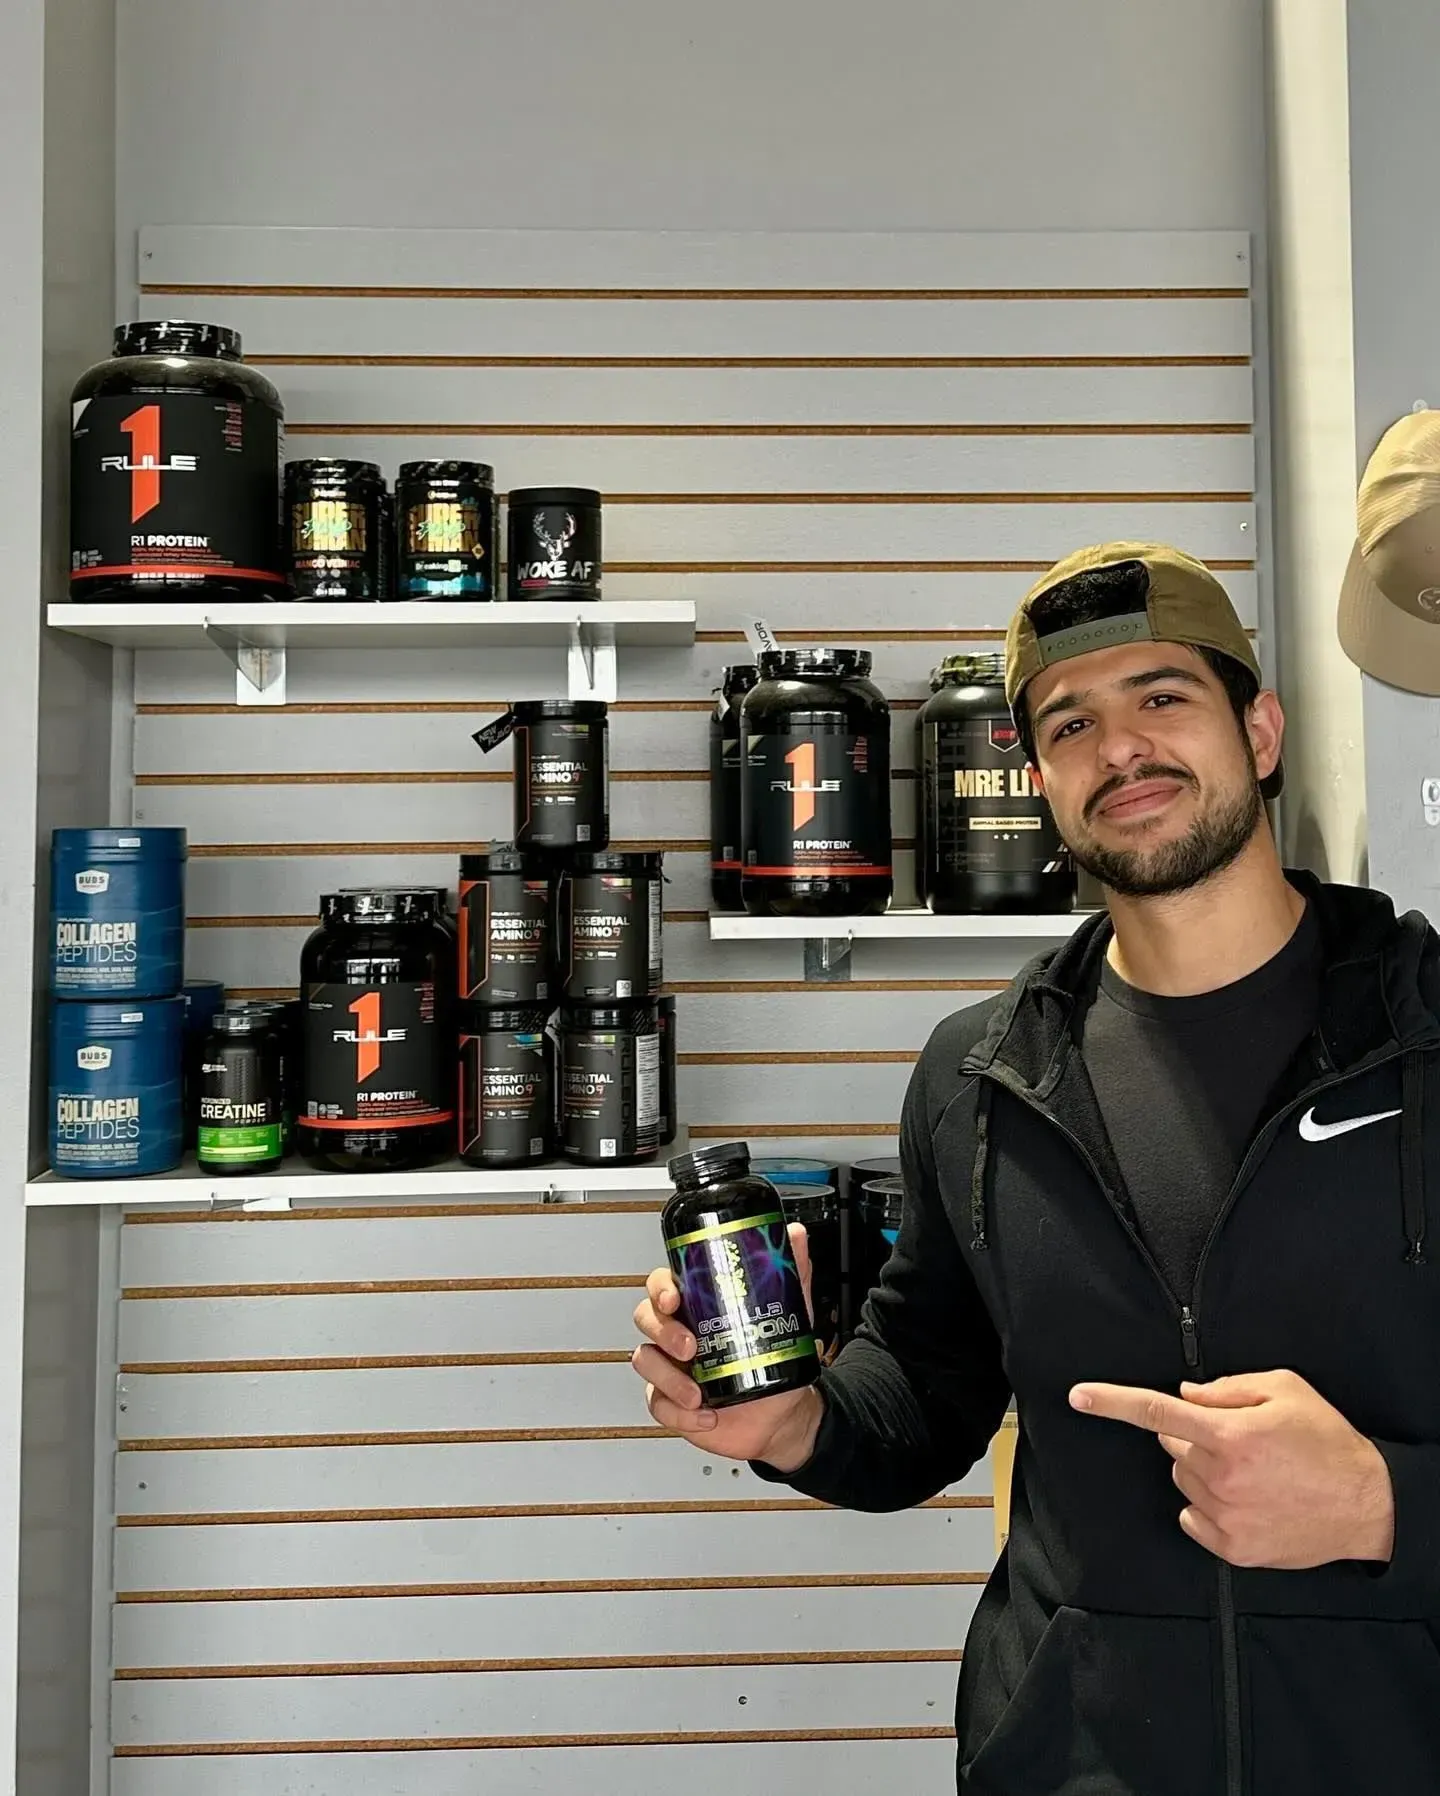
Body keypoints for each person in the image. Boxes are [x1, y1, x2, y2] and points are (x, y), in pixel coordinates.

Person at [632, 542, 1440, 1796]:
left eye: (1163, 695)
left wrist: (1389, 1505)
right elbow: (923, 1386)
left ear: (1261, 730)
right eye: (1070, 723)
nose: (1121, 746)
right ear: (1041, 783)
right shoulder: (982, 1075)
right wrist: (797, 1425)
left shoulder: (1424, 1031)